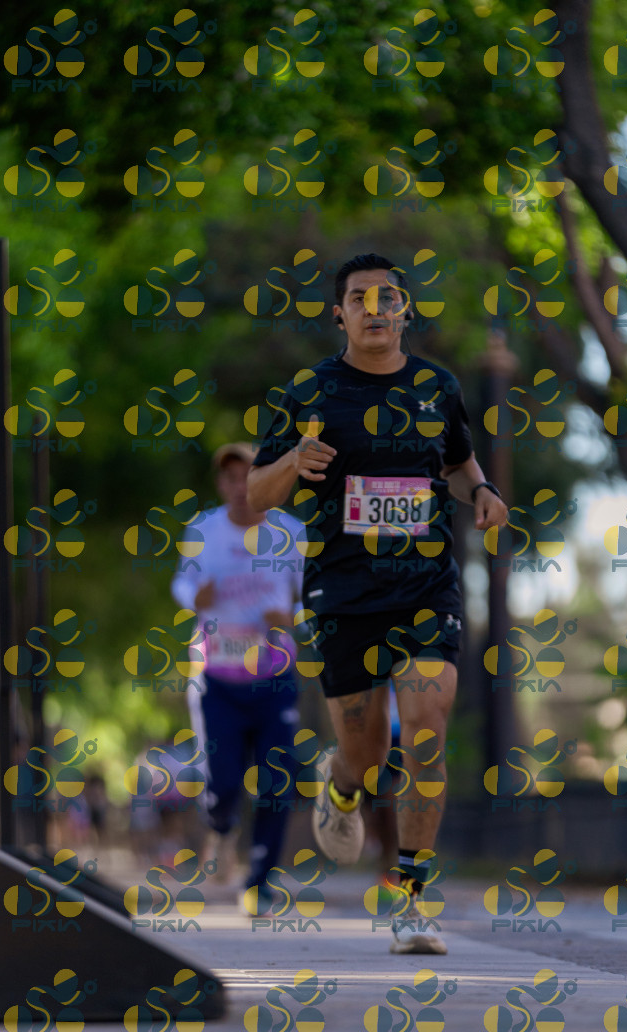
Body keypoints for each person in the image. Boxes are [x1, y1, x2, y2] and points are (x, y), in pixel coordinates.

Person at [247, 252, 508, 953]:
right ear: (339, 315)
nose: (374, 308)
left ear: (405, 310)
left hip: (425, 587)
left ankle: (412, 902)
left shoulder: (437, 386)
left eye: (387, 296)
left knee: (425, 731)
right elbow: (258, 493)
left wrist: (482, 491)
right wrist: (291, 462)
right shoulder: (311, 389)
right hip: (343, 590)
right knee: (367, 756)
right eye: (358, 298)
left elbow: (456, 462)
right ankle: (340, 784)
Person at [171, 443, 303, 915]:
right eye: (230, 477)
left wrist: (291, 617)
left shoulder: (292, 533)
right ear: (221, 484)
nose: (240, 486)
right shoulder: (203, 529)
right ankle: (222, 827)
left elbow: (312, 598)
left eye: (248, 475)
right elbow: (182, 582)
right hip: (217, 676)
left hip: (274, 676)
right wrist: (194, 597)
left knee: (276, 782)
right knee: (223, 781)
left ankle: (260, 883)